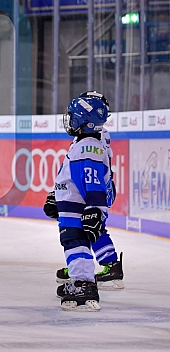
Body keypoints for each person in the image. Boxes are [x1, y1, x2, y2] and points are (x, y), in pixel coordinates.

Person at [44, 91, 124, 292]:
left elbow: (89, 173)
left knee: (85, 230)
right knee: (85, 230)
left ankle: (93, 273)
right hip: (89, 191)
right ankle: (83, 271)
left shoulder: (91, 141)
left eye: (74, 116)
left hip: (92, 192)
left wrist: (95, 205)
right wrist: (58, 193)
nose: (70, 120)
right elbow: (74, 172)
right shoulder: (87, 137)